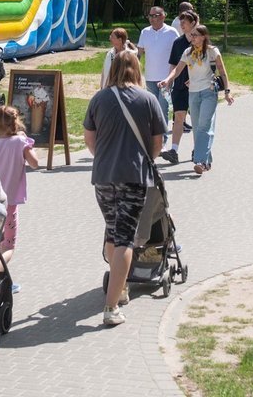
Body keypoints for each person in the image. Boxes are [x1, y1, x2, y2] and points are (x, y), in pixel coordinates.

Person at [83, 50, 165, 326]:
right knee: (125, 238)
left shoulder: (99, 98)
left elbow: (90, 139)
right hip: (134, 175)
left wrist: (106, 158)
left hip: (103, 176)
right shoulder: (148, 99)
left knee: (112, 229)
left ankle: (121, 287)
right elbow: (157, 144)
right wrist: (144, 159)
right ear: (137, 69)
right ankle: (111, 306)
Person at [160, 24, 235, 174]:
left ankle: (200, 160)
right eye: (191, 35)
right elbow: (178, 68)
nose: (191, 37)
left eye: (195, 35)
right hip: (193, 93)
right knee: (198, 128)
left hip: (209, 92)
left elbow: (222, 71)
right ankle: (207, 161)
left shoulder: (213, 52)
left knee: (204, 125)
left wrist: (227, 91)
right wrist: (168, 80)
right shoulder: (188, 52)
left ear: (204, 37)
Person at [0, 106, 38, 284]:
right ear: (15, 123)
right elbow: (35, 164)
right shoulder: (21, 143)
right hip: (10, 204)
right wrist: (25, 143)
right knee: (8, 247)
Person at [160, 11, 198, 163]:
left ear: (193, 23)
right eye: (180, 22)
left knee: (196, 120)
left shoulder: (200, 41)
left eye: (184, 22)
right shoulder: (178, 42)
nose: (181, 25)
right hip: (180, 86)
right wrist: (169, 81)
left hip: (198, 87)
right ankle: (174, 151)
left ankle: (198, 150)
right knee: (178, 117)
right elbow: (173, 64)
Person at [137, 6, 179, 143]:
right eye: (150, 16)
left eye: (155, 15)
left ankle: (162, 141)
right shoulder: (145, 32)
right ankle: (152, 138)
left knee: (162, 108)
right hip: (150, 78)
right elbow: (139, 53)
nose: (152, 18)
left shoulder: (172, 32)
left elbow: (179, 54)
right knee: (151, 109)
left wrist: (174, 75)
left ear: (163, 16)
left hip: (166, 78)